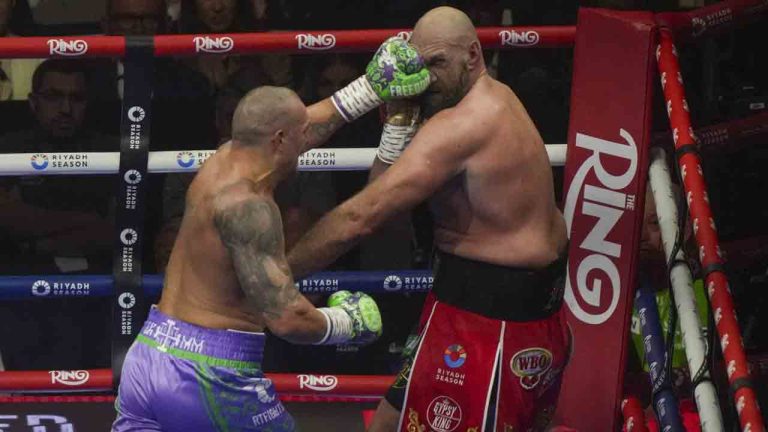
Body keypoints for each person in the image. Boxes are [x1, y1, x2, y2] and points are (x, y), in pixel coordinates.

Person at [286, 7, 570, 431]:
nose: (427, 77)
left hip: (492, 328)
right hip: (471, 308)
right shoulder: (490, 97)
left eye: (437, 63)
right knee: (386, 424)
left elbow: (363, 216)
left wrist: (279, 274)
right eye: (419, 65)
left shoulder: (465, 123)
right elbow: (382, 189)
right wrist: (398, 121)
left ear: (472, 55)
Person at [112, 86, 384, 431]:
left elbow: (305, 123)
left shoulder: (223, 159)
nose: (308, 138)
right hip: (209, 374)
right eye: (301, 134)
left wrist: (370, 88)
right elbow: (288, 320)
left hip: (148, 354)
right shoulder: (249, 208)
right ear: (280, 140)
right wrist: (346, 323)